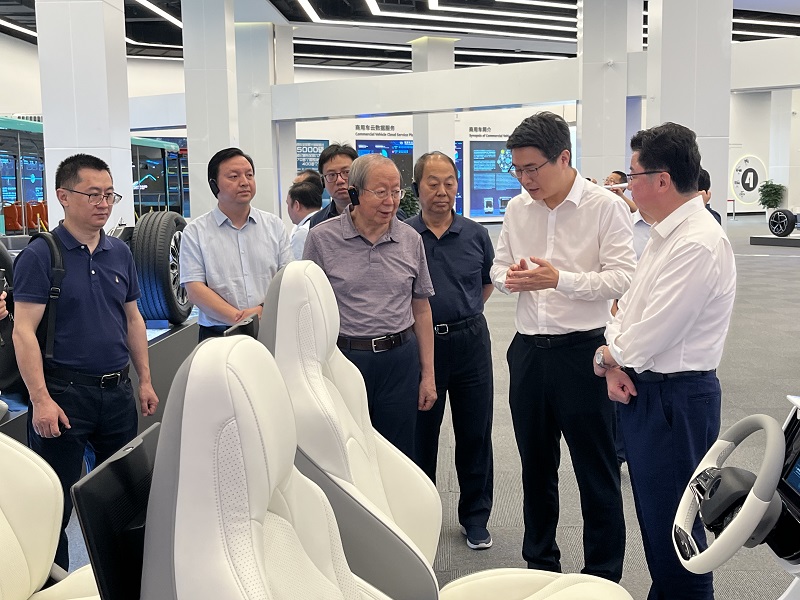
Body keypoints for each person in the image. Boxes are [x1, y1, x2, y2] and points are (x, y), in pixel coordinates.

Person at [490, 111, 635, 582]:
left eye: (533, 168)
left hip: (585, 354)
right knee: (535, 467)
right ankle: (540, 566)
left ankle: (602, 575)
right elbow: (498, 266)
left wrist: (560, 280)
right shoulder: (517, 209)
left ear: (564, 158)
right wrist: (511, 279)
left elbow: (622, 278)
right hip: (529, 352)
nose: (525, 179)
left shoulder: (604, 207)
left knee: (596, 469)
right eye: (518, 170)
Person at [594, 123, 736, 600]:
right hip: (649, 391)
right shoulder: (664, 235)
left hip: (676, 399)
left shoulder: (696, 242)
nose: (625, 186)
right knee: (658, 527)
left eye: (632, 175)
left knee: (678, 536)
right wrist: (614, 356)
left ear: (661, 179)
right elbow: (623, 313)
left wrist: (608, 355)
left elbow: (650, 334)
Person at [12, 153, 159, 569]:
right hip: (63, 396)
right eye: (93, 194)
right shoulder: (41, 255)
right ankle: (51, 585)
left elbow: (133, 318)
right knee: (54, 503)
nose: (104, 203)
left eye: (109, 194)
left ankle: (122, 579)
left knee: (124, 499)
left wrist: (144, 380)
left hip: (116, 393)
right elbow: (23, 332)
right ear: (64, 196)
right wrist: (40, 399)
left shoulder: (120, 253)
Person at [303, 153, 436, 461]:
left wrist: (428, 375)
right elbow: (309, 309)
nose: (390, 201)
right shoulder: (322, 239)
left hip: (399, 360)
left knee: (399, 454)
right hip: (345, 359)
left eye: (396, 191)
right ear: (355, 193)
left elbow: (422, 308)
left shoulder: (411, 239)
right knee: (349, 451)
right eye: (380, 192)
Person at [407, 151, 495, 551]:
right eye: (433, 183)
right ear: (417, 187)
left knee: (475, 433)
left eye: (449, 183)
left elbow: (486, 283)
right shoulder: (404, 235)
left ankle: (475, 517)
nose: (442, 191)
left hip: (471, 342)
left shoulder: (476, 233)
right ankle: (420, 517)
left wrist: (464, 310)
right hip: (422, 345)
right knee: (421, 436)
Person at [180, 147, 292, 341]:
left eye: (249, 175)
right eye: (234, 176)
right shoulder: (195, 232)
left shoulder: (274, 226)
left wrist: (261, 311)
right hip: (218, 335)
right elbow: (195, 290)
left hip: (269, 329)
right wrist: (241, 319)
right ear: (214, 185)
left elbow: (287, 279)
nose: (244, 182)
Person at [308, 143, 359, 228]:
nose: (340, 181)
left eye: (346, 172)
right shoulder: (318, 220)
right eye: (331, 175)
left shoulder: (376, 213)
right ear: (323, 181)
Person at [286, 181, 323, 259]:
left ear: (297, 205)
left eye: (288, 204)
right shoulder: (330, 222)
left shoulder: (302, 233)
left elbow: (297, 265)